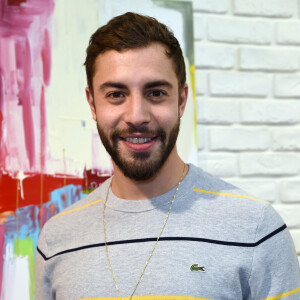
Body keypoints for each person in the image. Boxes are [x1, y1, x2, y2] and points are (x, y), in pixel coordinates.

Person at [35, 12, 300, 300]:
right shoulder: (56, 239)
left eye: (156, 93)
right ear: (93, 104)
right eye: (116, 94)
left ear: (182, 100)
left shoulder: (255, 229)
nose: (137, 116)